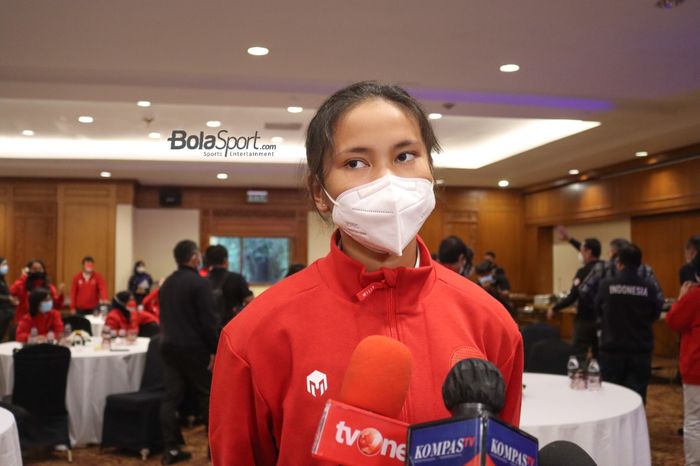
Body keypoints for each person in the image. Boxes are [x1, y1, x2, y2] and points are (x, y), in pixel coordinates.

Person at [209, 81, 523, 465]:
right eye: (355, 163)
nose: (388, 182)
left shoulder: (490, 322)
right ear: (319, 191)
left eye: (406, 155)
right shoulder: (254, 335)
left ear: (431, 168)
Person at [159, 240, 219, 464]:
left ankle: (170, 449)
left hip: (168, 346)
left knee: (170, 399)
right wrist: (214, 349)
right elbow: (208, 322)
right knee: (207, 397)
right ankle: (215, 451)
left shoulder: (166, 284)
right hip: (194, 349)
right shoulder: (199, 284)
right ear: (194, 257)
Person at [595, 244, 663, 403]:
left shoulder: (606, 286)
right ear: (640, 264)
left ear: (619, 263)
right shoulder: (649, 288)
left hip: (611, 351)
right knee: (637, 399)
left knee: (609, 398)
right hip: (639, 351)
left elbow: (597, 312)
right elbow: (655, 314)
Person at [555, 226, 665, 310]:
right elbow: (659, 299)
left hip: (610, 328)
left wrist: (601, 310)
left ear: (614, 252)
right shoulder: (646, 270)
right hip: (641, 329)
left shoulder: (602, 269)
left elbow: (584, 291)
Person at [666, 253, 700, 465]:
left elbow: (673, 320)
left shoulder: (695, 296)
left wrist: (681, 297)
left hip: (697, 367)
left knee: (695, 421)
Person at [548, 238, 603, 362]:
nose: (580, 254)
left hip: (585, 320)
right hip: (601, 320)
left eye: (582, 250)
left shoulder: (583, 272)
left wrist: (555, 307)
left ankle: (578, 378)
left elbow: (573, 296)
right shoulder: (605, 269)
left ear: (588, 252)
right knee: (598, 356)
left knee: (579, 354)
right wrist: (570, 240)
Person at [205, 245, 253, 327]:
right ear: (225, 260)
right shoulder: (237, 278)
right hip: (232, 327)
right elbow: (251, 302)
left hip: (209, 328)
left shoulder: (202, 281)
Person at [9, 259, 64, 324]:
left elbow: (56, 306)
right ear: (29, 270)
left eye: (40, 269)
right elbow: (12, 292)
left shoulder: (49, 287)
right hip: (24, 321)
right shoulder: (22, 285)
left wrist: (61, 296)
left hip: (44, 322)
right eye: (34, 269)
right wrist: (24, 277)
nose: (37, 271)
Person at [0, 257, 19, 341]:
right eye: (4, 264)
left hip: (6, 310)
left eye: (6, 264)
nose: (6, 266)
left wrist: (12, 299)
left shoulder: (2, 279)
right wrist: (8, 298)